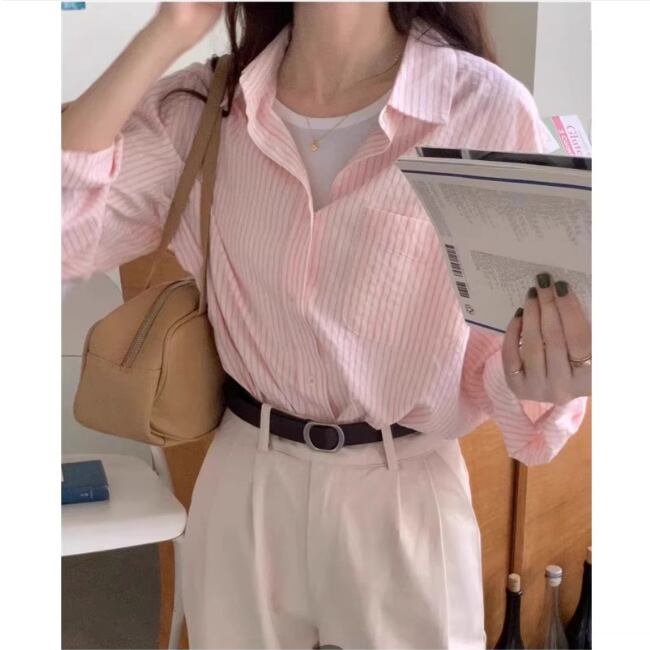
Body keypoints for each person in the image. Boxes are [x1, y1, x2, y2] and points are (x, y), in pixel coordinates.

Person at [61, 2, 592, 648]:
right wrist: (171, 27)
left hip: (404, 496)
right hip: (246, 483)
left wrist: (545, 379)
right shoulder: (206, 109)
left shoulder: (482, 109)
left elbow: (504, 369)